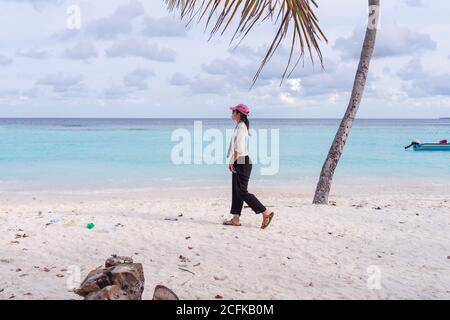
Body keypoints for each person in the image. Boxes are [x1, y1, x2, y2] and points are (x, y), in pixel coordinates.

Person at [223, 104, 275, 229]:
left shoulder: (241, 128)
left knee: (242, 192)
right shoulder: (239, 126)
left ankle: (266, 212)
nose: (231, 113)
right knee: (236, 192)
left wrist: (231, 161)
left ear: (239, 114)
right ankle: (235, 219)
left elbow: (239, 149)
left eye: (233, 111)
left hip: (242, 161)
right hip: (240, 161)